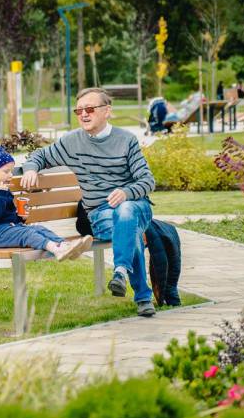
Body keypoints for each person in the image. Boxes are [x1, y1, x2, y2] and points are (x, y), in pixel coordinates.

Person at [21, 87, 159, 317]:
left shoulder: (126, 140)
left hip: (136, 206)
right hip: (100, 215)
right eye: (79, 111)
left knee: (126, 212)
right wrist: (31, 168)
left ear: (107, 111)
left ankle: (124, 274)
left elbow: (147, 180)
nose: (84, 114)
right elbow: (40, 155)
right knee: (128, 229)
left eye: (90, 109)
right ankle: (133, 287)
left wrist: (126, 192)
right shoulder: (72, 142)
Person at [0, 145, 93, 260]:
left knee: (38, 228)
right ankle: (56, 250)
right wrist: (1, 195)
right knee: (27, 234)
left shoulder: (3, 189)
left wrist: (20, 217)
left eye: (11, 171)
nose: (11, 175)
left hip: (8, 229)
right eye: (6, 171)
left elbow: (8, 216)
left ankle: (65, 246)